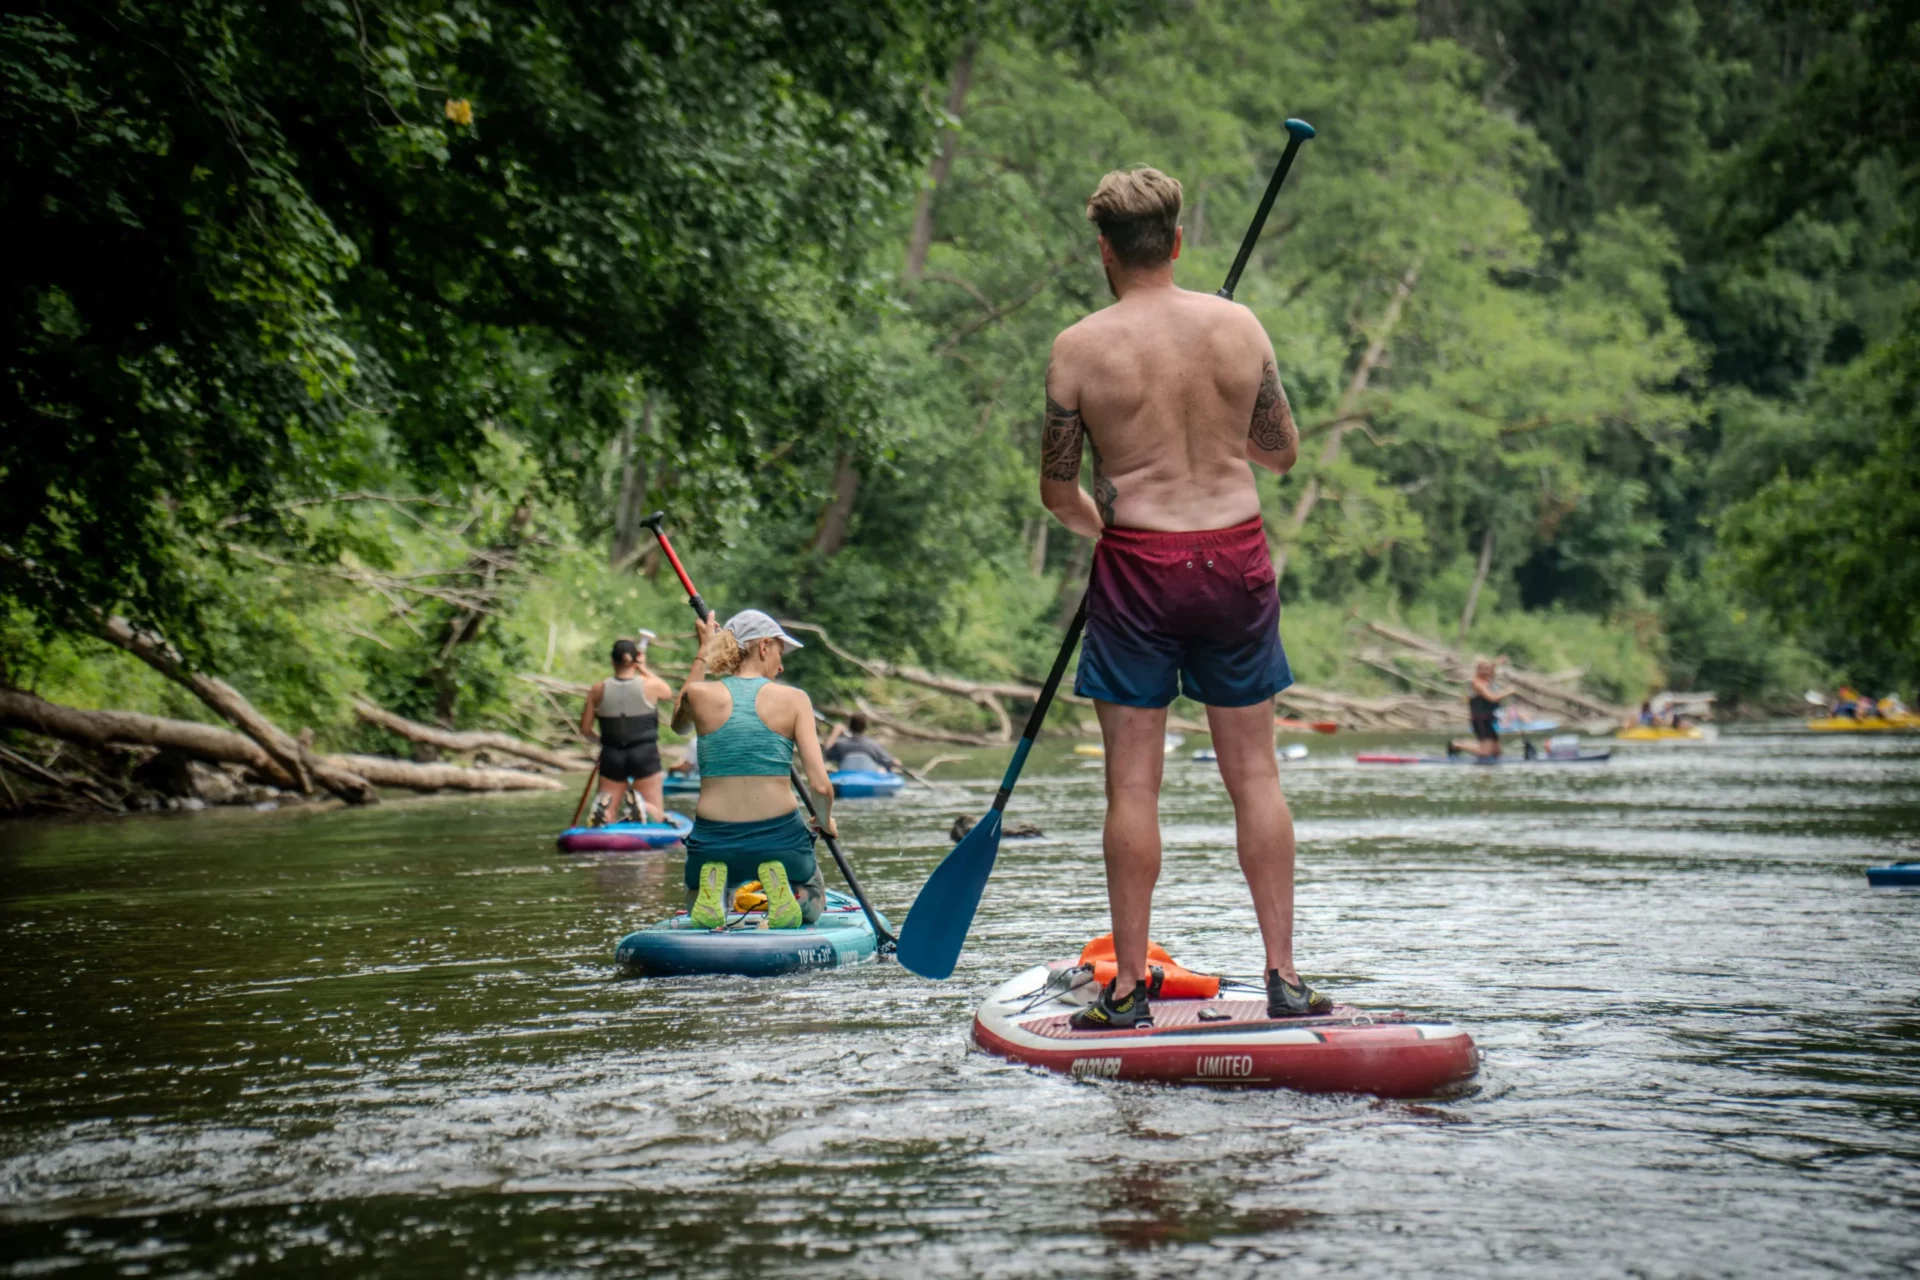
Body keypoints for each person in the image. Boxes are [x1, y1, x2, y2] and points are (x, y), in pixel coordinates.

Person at [1038, 164, 1325, 1031]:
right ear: (1177, 241)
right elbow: (1281, 455)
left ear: (1103, 250)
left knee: (1132, 787)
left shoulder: (1078, 348)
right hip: (1236, 558)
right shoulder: (1237, 326)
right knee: (1257, 774)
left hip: (1139, 566)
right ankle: (1283, 977)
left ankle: (1126, 990)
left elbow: (1059, 493)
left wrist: (1109, 522)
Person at [669, 609, 835, 929]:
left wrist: (704, 650)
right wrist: (824, 821)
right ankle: (786, 890)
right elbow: (821, 787)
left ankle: (715, 893)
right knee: (813, 902)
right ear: (763, 647)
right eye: (779, 652)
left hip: (712, 840)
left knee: (695, 901)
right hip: (780, 839)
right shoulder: (795, 699)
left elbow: (678, 723)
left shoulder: (698, 695)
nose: (781, 664)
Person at [579, 638, 675, 826]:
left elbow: (585, 729)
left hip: (612, 753)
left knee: (609, 809)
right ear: (635, 660)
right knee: (655, 810)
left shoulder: (598, 689)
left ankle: (604, 813)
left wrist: (603, 741)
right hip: (645, 753)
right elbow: (668, 692)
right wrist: (643, 668)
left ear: (612, 661)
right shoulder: (650, 685)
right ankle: (643, 808)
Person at [1447, 658, 1514, 759]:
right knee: (1486, 753)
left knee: (1496, 753)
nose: (1488, 671)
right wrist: (1507, 692)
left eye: (1489, 669)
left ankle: (1467, 745)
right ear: (1478, 670)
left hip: (1490, 719)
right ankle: (1457, 744)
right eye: (1485, 669)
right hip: (1480, 720)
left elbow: (1491, 670)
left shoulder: (1487, 680)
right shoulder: (1477, 684)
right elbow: (1492, 698)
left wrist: (1497, 663)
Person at [823, 713, 899, 774]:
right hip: (869, 778)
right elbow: (891, 762)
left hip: (846, 778)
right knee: (882, 770)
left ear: (849, 727)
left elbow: (825, 754)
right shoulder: (872, 745)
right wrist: (896, 762)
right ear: (865, 727)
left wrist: (835, 733)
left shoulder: (840, 744)